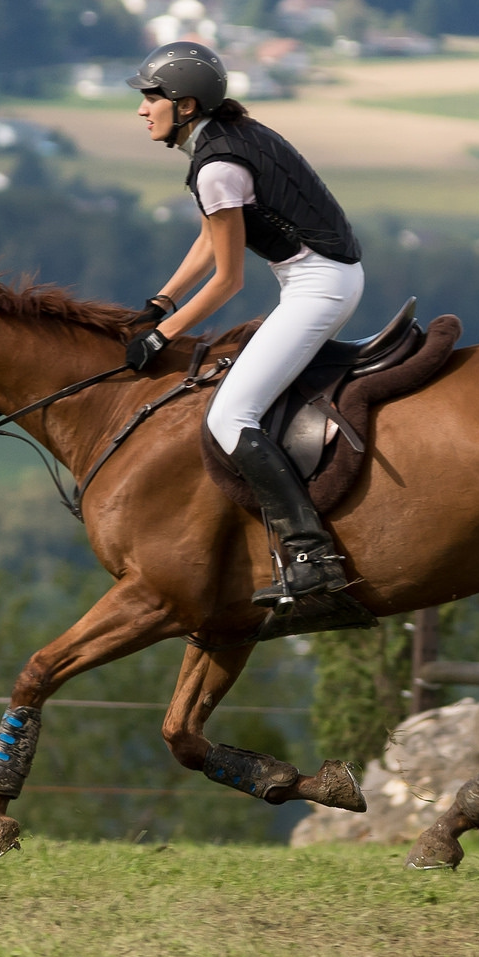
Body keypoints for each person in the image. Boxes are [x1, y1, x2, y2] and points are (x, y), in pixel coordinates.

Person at [122, 40, 365, 607]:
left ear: (184, 106)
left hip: (318, 288)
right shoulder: (225, 143)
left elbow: (229, 279)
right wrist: (161, 301)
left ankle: (309, 554)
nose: (141, 108)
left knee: (231, 415)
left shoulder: (217, 167)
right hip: (320, 279)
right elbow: (211, 238)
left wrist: (164, 336)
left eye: (151, 96)